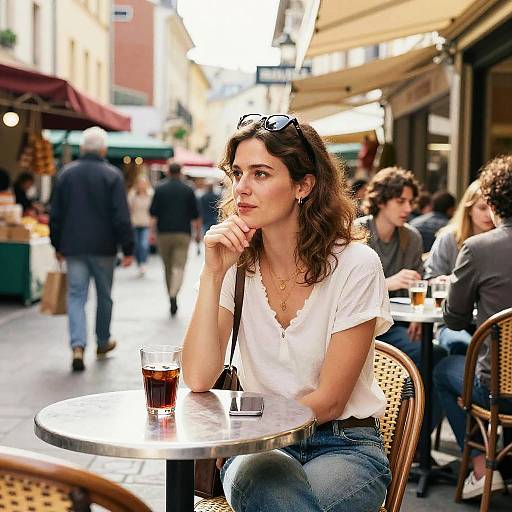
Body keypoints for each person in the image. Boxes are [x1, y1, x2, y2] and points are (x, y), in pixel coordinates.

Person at [182, 114, 392, 512]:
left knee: (282, 502)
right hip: (258, 447)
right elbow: (196, 376)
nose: (241, 188)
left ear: (303, 185)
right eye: (237, 173)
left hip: (342, 444)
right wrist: (213, 274)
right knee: (273, 491)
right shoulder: (234, 264)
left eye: (260, 174)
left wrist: (249, 424)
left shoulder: (356, 264)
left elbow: (330, 401)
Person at [433, 154, 512, 500]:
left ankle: (482, 466)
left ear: (493, 203)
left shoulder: (478, 248)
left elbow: (453, 319)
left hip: (500, 391)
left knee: (442, 368)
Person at [357, 167, 447, 429]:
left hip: (401, 326)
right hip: (366, 328)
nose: (408, 208)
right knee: (431, 355)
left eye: (411, 201)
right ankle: (397, 432)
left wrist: (420, 318)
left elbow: (417, 287)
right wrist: (388, 283)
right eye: (401, 201)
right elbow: (345, 292)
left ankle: (418, 439)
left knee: (437, 354)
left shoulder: (411, 237)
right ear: (381, 201)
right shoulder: (358, 233)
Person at [50, 126, 134, 372]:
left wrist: (57, 243)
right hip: (104, 247)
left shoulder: (66, 174)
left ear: (83, 148)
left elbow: (56, 213)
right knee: (104, 295)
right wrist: (128, 248)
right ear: (104, 149)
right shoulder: (112, 175)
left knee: (76, 295)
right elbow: (121, 216)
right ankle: (102, 341)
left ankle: (77, 346)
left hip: (73, 246)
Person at [425, 181, 494, 354]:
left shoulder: (500, 242)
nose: (489, 214)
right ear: (469, 209)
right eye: (482, 208)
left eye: (492, 208)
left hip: (490, 323)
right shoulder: (449, 238)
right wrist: (448, 282)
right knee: (466, 347)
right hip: (450, 323)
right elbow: (428, 281)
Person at [149, 161, 201, 317]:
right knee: (179, 266)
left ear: (168, 171)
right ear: (181, 172)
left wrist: (152, 233)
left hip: (163, 233)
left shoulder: (159, 188)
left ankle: (171, 295)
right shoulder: (188, 189)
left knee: (167, 267)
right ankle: (174, 293)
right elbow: (196, 215)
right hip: (182, 234)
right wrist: (198, 233)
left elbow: (153, 214)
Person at [128, 175, 153, 276]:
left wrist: (153, 224)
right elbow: (129, 209)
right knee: (136, 245)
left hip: (146, 223)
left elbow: (153, 211)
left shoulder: (151, 194)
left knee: (144, 244)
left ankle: (143, 263)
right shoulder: (132, 194)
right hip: (134, 223)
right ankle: (139, 262)